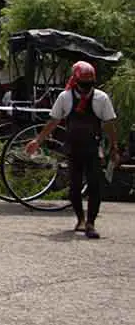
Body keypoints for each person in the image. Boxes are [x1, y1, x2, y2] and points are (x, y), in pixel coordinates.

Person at [26, 61, 119, 239]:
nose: (86, 87)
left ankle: (91, 223)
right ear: (75, 81)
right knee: (75, 187)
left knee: (94, 185)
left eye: (89, 83)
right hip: (73, 147)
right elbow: (53, 121)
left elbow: (109, 124)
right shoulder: (65, 97)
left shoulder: (101, 98)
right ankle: (80, 219)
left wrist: (114, 147)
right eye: (83, 83)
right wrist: (38, 140)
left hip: (93, 147)